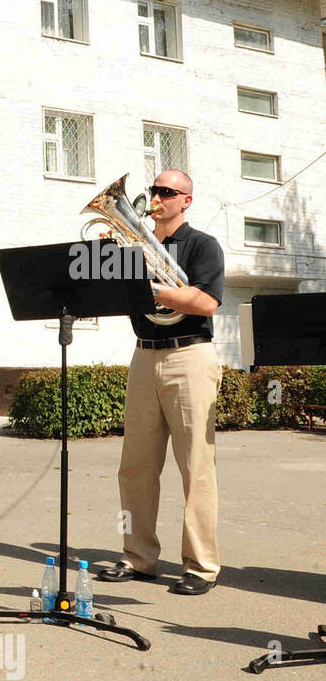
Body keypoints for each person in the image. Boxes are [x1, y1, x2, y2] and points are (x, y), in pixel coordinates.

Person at [97, 169, 223, 596]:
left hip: (189, 354)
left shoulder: (202, 245)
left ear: (186, 200)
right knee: (134, 467)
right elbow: (109, 292)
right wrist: (106, 264)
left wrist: (151, 290)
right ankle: (138, 557)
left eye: (167, 192)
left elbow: (205, 301)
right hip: (144, 355)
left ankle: (201, 566)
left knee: (196, 468)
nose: (156, 197)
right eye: (154, 190)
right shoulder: (132, 247)